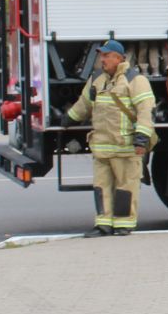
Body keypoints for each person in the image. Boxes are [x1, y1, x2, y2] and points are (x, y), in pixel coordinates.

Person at [64, 40, 156, 236]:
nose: (102, 59)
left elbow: (145, 112)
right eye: (101, 55)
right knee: (101, 187)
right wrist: (68, 118)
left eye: (106, 55)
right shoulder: (97, 79)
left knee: (125, 188)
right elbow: (84, 105)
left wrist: (141, 139)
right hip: (102, 148)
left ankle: (124, 225)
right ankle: (104, 224)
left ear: (119, 58)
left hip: (125, 148)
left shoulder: (135, 80)